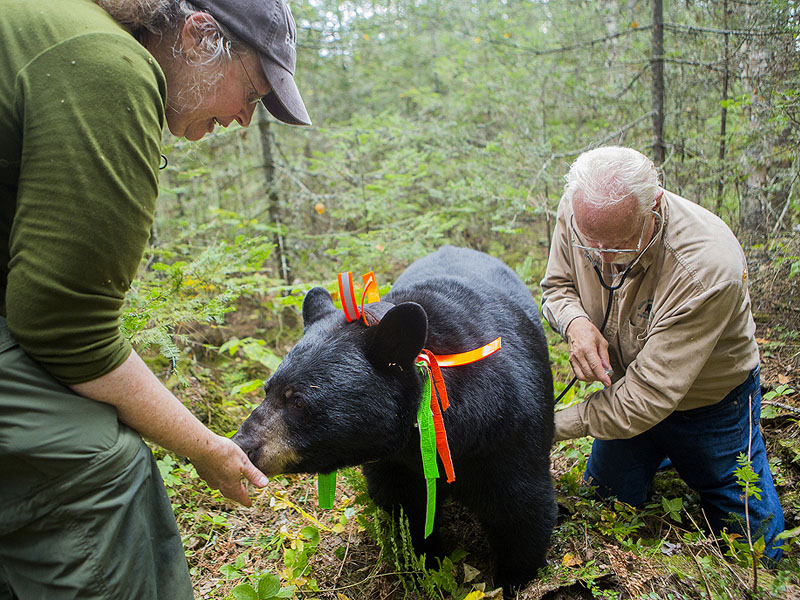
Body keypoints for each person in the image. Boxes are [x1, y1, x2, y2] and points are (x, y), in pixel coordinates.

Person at [0, 0, 310, 597]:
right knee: (98, 469)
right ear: (198, 37)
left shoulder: (70, 30)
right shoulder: (110, 65)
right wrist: (205, 446)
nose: (246, 119)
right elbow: (66, 329)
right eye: (251, 89)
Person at [541, 146, 785, 562]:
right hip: (625, 395)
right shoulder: (583, 212)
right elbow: (557, 287)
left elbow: (647, 396)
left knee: (758, 552)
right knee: (604, 509)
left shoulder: (706, 266)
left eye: (618, 245)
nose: (603, 260)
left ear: (652, 207)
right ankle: (666, 455)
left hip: (711, 406)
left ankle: (697, 456)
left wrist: (544, 426)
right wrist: (575, 324)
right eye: (590, 244)